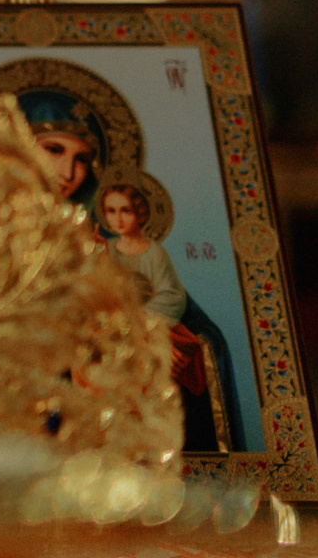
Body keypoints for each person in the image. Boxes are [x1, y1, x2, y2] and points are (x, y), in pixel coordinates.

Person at [100, 183, 223, 451]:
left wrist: (141, 319)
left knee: (178, 354)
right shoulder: (105, 249)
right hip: (113, 325)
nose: (117, 218)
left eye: (125, 211)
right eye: (111, 211)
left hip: (151, 323)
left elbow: (172, 295)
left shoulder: (154, 253)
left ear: (140, 214)